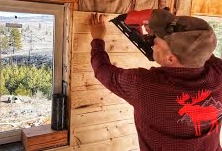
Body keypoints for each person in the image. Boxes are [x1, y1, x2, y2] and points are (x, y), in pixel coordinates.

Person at [90, 9, 222, 151]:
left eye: (156, 42)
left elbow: (102, 70)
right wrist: (164, 30)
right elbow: (200, 48)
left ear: (170, 58)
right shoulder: (219, 73)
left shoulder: (144, 86)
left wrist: (97, 39)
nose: (152, 43)